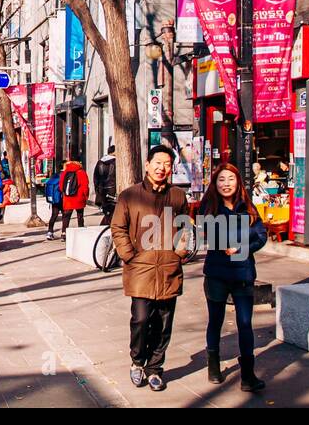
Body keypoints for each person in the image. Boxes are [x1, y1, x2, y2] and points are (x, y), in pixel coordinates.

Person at [112, 147, 189, 392]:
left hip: (169, 270)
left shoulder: (178, 196)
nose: (161, 168)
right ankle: (137, 362)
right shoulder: (129, 196)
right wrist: (129, 256)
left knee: (164, 324)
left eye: (167, 164)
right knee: (141, 319)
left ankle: (155, 368)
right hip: (140, 270)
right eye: (157, 162)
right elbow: (118, 228)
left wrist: (180, 252)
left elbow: (185, 226)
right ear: (147, 164)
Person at [200, 163, 268, 392]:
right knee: (215, 321)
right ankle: (213, 365)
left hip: (243, 273)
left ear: (238, 182)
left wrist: (243, 247)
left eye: (230, 179)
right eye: (221, 179)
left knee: (245, 323)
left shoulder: (248, 206)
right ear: (215, 183)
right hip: (217, 274)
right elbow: (209, 232)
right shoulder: (208, 206)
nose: (226, 184)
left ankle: (248, 374)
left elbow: (261, 235)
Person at [58, 158, 89, 234]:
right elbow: (85, 186)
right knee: (80, 215)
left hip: (68, 198)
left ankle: (64, 233)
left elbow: (61, 186)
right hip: (79, 197)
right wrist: (86, 196)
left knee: (66, 216)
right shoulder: (81, 172)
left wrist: (65, 193)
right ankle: (81, 231)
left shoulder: (65, 173)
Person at [93, 145, 118, 225]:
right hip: (113, 190)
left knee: (107, 211)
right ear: (114, 152)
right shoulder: (116, 162)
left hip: (102, 190)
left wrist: (97, 190)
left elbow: (95, 178)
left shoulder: (100, 162)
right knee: (113, 212)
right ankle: (105, 227)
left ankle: (105, 226)